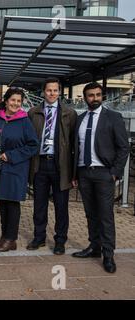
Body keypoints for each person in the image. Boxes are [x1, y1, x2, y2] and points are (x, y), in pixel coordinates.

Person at [72, 82, 129, 273]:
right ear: (85, 97)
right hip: (84, 173)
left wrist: (115, 172)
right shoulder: (80, 119)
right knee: (90, 214)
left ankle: (109, 255)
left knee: (105, 215)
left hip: (104, 173)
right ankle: (94, 247)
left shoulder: (113, 117)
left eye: (97, 95)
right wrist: (75, 174)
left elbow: (123, 147)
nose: (94, 98)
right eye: (90, 95)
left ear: (102, 96)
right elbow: (77, 149)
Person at [0, 87, 39, 252]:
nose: (15, 104)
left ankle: (11, 239)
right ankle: (4, 236)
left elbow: (33, 145)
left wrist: (12, 155)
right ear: (6, 100)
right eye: (13, 100)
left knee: (12, 203)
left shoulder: (24, 121)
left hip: (16, 169)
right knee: (2, 202)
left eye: (19, 101)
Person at [27, 78, 77, 255]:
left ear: (59, 92)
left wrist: (74, 172)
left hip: (60, 166)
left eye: (55, 91)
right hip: (40, 164)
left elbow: (73, 144)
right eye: (49, 90)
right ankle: (39, 237)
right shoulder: (33, 112)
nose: (52, 94)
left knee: (61, 206)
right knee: (39, 204)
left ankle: (60, 240)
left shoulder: (69, 113)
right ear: (43, 92)